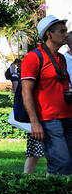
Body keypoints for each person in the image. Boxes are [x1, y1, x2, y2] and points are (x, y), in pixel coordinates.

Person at [20, 15, 72, 176]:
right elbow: (26, 91)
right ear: (49, 34)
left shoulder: (61, 58)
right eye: (62, 31)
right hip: (49, 120)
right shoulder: (33, 57)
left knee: (68, 164)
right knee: (61, 164)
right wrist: (35, 122)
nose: (65, 34)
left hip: (68, 117)